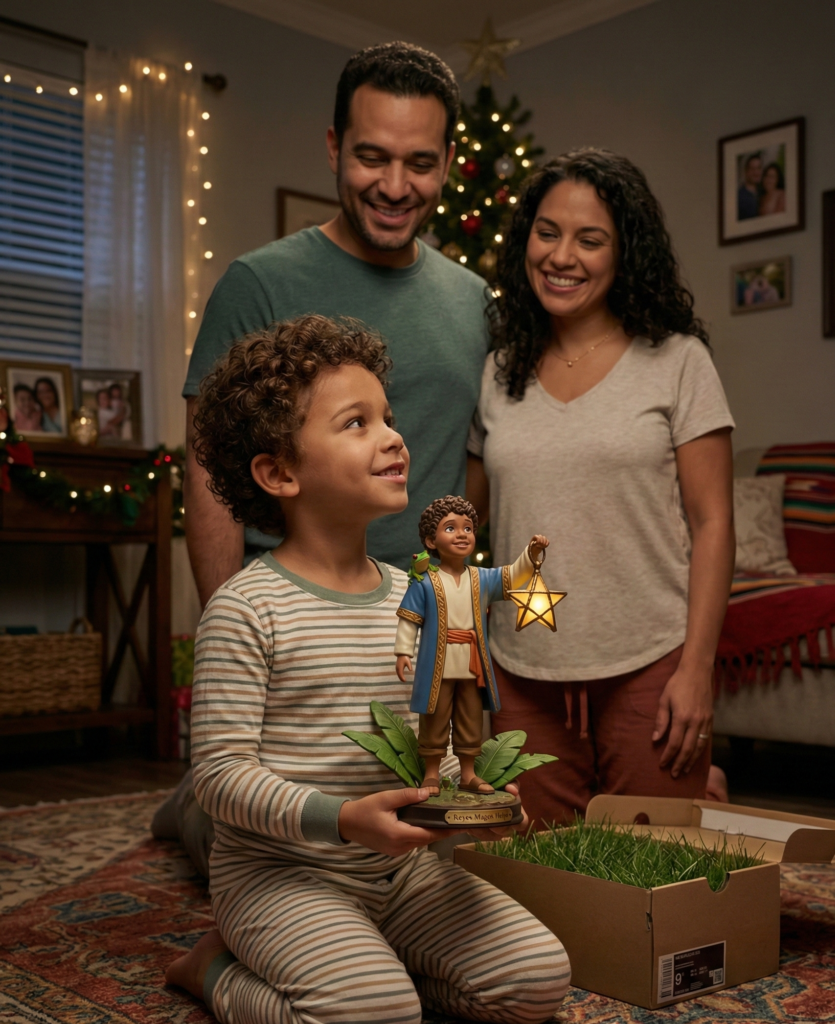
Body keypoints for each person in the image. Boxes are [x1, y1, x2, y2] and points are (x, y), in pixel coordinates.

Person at [164, 315, 570, 1024]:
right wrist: (344, 819)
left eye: (388, 417)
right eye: (356, 423)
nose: (393, 437)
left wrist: (469, 803)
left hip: (403, 872)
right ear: (279, 472)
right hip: (281, 875)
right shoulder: (245, 607)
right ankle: (217, 969)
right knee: (373, 1014)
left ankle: (373, 966)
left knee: (540, 980)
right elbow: (220, 778)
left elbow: (428, 742)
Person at [466, 148, 735, 826]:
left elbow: (713, 524)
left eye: (591, 240)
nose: (563, 256)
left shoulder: (678, 361)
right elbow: (467, 526)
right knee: (533, 887)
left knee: (656, 885)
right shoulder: (496, 373)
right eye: (548, 231)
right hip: (523, 669)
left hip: (651, 661)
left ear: (625, 255)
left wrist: (696, 671)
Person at [182, 41, 489, 612]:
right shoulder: (258, 282)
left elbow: (480, 462)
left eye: (419, 163)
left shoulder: (473, 300)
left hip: (429, 624)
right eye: (372, 157)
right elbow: (207, 472)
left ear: (446, 162)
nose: (395, 187)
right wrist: (228, 629)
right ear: (334, 147)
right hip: (289, 620)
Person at [395, 494, 546, 794]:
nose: (462, 534)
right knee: (434, 719)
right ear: (430, 541)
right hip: (436, 665)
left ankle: (468, 774)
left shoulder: (481, 578)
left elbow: (512, 576)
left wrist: (531, 554)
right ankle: (432, 774)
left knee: (469, 719)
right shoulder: (425, 582)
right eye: (450, 528)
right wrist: (403, 650)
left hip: (472, 665)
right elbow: (410, 618)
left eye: (468, 528)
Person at [737, 152, 762, 220]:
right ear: (746, 171)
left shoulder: (763, 192)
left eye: (758, 168)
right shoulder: (739, 196)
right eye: (752, 169)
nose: (756, 172)